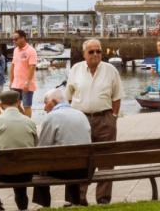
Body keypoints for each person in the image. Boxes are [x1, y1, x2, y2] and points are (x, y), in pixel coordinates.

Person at [66, 38, 123, 205]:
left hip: (105, 119)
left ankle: (103, 199)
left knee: (106, 160)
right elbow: (68, 96)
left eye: (98, 51)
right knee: (80, 159)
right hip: (80, 120)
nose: (95, 54)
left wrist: (113, 117)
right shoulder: (76, 69)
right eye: (91, 51)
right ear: (84, 54)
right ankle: (79, 198)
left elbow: (117, 96)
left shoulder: (111, 70)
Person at [33, 88, 92, 208]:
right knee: (73, 159)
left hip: (63, 170)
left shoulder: (51, 117)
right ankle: (74, 201)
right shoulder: (81, 114)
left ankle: (44, 204)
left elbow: (42, 149)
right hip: (84, 169)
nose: (44, 108)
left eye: (45, 103)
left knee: (39, 165)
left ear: (53, 102)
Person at [0, 90, 40, 210]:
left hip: (4, 175)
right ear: (19, 103)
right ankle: (22, 207)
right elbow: (36, 146)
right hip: (26, 174)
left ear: (1, 105)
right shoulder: (29, 121)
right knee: (20, 163)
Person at [9, 30, 38, 117]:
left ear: (23, 38)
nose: (14, 41)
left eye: (16, 39)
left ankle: (27, 123)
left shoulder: (31, 51)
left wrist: (28, 82)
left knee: (27, 105)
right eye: (13, 39)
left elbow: (32, 67)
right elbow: (13, 65)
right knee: (15, 105)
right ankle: (23, 119)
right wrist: (11, 81)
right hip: (16, 84)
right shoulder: (15, 50)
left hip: (27, 84)